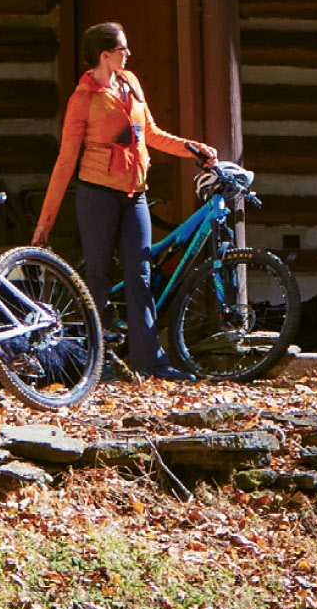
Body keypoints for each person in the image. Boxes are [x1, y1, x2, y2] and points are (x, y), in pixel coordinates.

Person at [33, 21, 217, 382]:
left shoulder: (130, 83)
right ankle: (94, 365)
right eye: (122, 49)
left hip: (135, 196)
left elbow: (151, 134)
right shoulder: (83, 98)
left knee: (141, 274)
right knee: (97, 278)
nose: (128, 54)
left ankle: (149, 361)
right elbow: (66, 159)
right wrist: (46, 220)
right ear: (105, 54)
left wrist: (193, 148)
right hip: (97, 195)